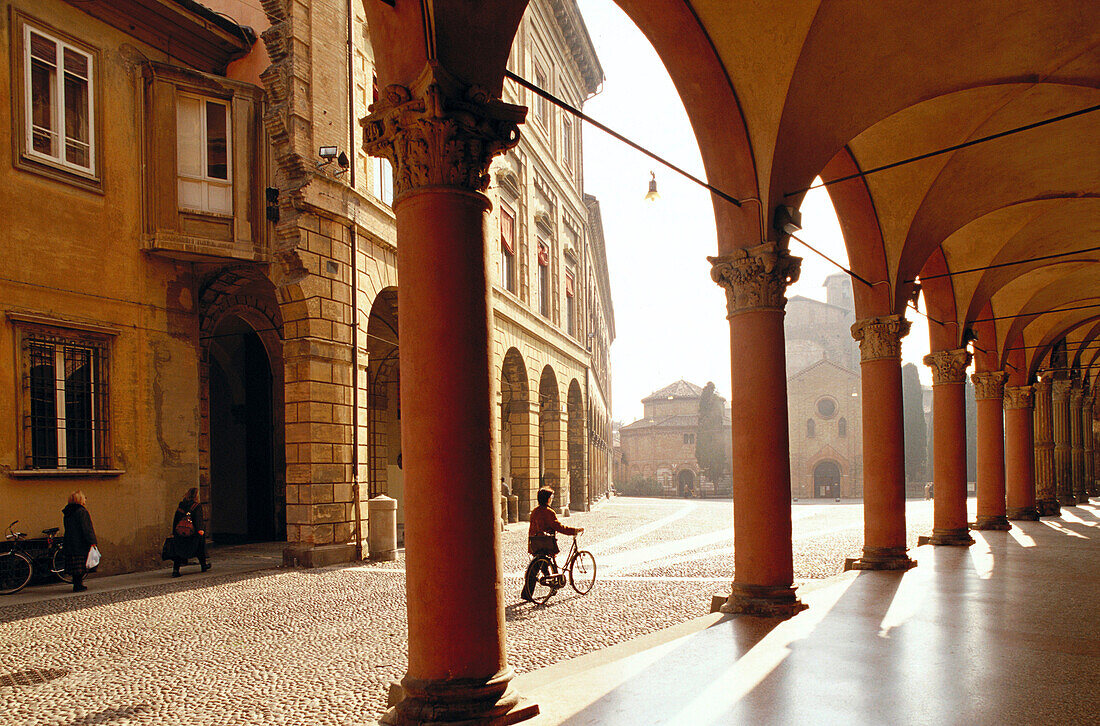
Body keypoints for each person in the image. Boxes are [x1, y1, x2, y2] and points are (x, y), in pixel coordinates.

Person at [522, 487, 583, 602]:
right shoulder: (549, 512)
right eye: (551, 497)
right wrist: (574, 530)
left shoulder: (535, 511)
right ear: (548, 499)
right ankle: (553, 585)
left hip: (535, 543)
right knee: (543, 564)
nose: (552, 499)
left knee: (538, 567)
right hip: (546, 544)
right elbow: (559, 527)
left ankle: (528, 592)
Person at [62, 491, 97, 593]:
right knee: (80, 564)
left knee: (74, 564)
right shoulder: (81, 511)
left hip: (70, 540)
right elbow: (86, 528)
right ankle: (78, 585)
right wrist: (92, 541)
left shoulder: (67, 512)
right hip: (80, 541)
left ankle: (76, 583)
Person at [171, 487, 210, 577]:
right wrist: (200, 530)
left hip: (180, 533)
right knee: (199, 548)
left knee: (179, 551)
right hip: (192, 533)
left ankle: (176, 570)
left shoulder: (181, 505)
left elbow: (176, 518)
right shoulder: (196, 506)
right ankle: (203, 566)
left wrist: (174, 531)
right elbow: (198, 519)